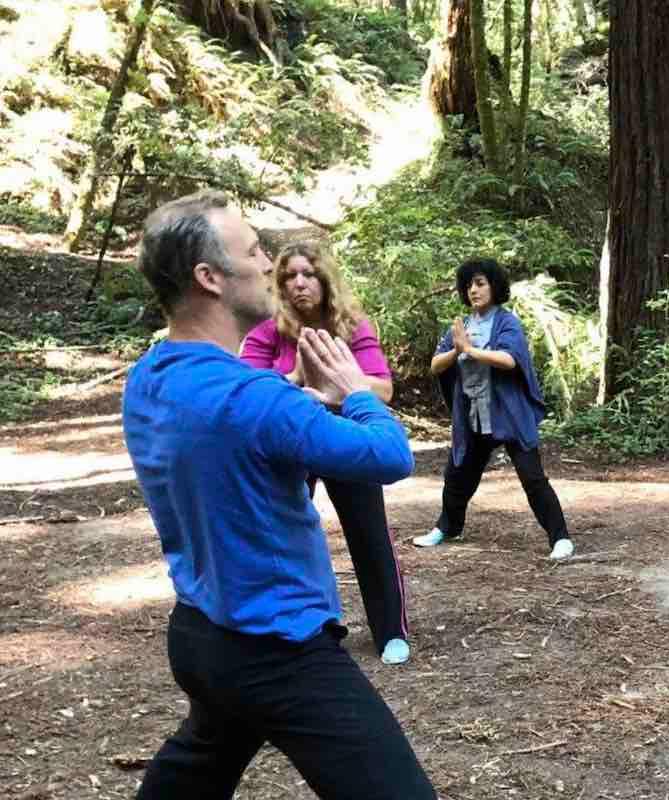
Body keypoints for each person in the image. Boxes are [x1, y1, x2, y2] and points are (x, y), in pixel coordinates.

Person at [123, 191, 436, 799]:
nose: (268, 264)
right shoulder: (255, 399)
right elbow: (390, 456)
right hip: (278, 649)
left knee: (200, 762)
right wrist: (356, 392)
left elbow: (235, 428)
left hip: (202, 632)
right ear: (209, 278)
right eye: (253, 252)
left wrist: (295, 394)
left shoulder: (150, 377)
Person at [241, 241, 411, 666]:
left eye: (308, 274)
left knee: (368, 530)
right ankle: (300, 628)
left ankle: (391, 631)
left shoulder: (352, 327)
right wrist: (296, 375)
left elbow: (383, 388)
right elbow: (248, 393)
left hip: (343, 435)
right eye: (289, 276)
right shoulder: (267, 331)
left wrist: (343, 382)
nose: (299, 284)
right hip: (289, 441)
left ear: (325, 280)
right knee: (285, 532)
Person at [412, 258, 574, 560]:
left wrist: (470, 350)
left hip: (508, 414)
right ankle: (448, 528)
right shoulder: (462, 326)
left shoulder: (506, 323)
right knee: (457, 475)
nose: (473, 290)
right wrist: (456, 350)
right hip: (473, 415)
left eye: (480, 283)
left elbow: (510, 360)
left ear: (494, 286)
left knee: (532, 477)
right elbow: (436, 365)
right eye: (468, 285)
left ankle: (560, 538)